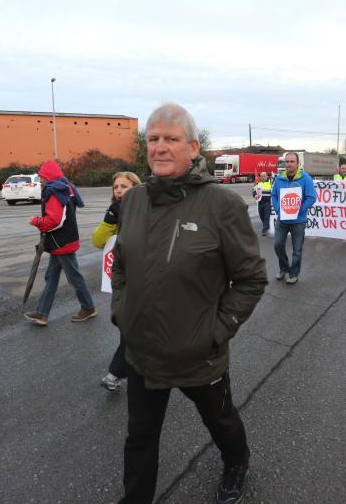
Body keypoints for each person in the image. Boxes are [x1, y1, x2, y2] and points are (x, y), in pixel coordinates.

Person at [112, 103, 267, 504]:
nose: (160, 147)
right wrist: (121, 313)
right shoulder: (134, 201)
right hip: (142, 350)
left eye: (171, 139)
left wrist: (215, 332)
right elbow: (122, 266)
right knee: (139, 439)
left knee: (221, 422)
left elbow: (250, 279)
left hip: (198, 353)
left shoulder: (222, 205)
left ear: (193, 147)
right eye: (153, 139)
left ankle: (237, 461)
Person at [24, 160, 96, 325]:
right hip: (63, 240)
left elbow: (54, 221)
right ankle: (42, 313)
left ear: (48, 176)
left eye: (42, 176)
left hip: (61, 242)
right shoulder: (66, 187)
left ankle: (89, 307)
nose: (40, 179)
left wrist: (36, 221)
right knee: (52, 276)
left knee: (74, 278)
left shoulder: (55, 191)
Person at [92, 171, 141, 392]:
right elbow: (98, 241)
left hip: (146, 278)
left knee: (134, 328)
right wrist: (110, 220)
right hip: (124, 280)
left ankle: (115, 373)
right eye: (116, 187)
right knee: (130, 327)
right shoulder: (114, 210)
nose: (119, 190)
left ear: (136, 188)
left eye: (124, 186)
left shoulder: (146, 208)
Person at [271, 152, 316, 284]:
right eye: (287, 161)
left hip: (298, 221)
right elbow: (274, 195)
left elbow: (311, 197)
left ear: (298, 163)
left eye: (292, 161)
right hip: (282, 220)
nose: (289, 164)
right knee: (278, 245)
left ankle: (294, 274)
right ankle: (284, 268)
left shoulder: (305, 178)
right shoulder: (279, 179)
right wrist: (279, 209)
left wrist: (299, 210)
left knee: (297, 250)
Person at [252, 171, 273, 236]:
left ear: (267, 176)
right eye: (261, 176)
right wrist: (254, 195)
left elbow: (274, 191)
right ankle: (266, 225)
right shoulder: (258, 183)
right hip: (260, 202)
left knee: (266, 216)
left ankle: (265, 229)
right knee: (261, 216)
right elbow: (253, 190)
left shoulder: (271, 182)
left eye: (264, 176)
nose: (263, 177)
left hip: (267, 202)